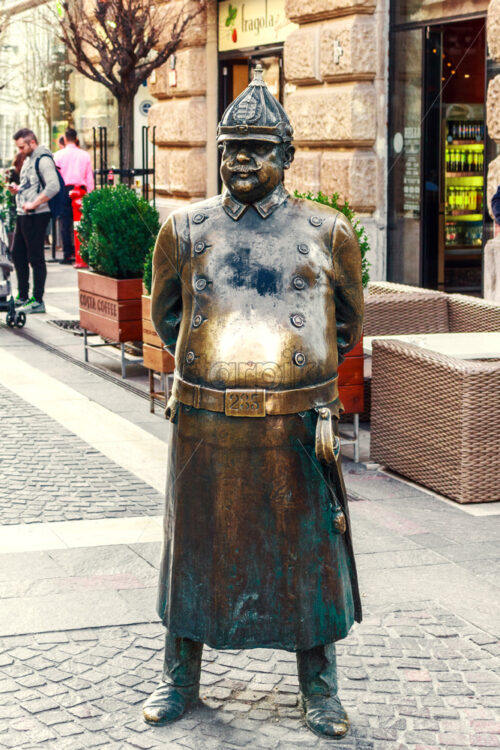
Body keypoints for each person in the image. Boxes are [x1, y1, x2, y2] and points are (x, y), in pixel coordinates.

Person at [143, 65, 363, 739]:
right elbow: (168, 314)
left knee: (307, 556)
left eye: (258, 147)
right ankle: (180, 677)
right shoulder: (185, 228)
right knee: (195, 549)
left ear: (287, 157)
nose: (241, 158)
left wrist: (298, 375)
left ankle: (318, 686)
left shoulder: (327, 233)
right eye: (231, 145)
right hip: (206, 420)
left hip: (296, 424)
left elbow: (347, 321)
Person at [9, 128, 60, 313]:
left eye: (22, 147)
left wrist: (34, 204)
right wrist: (18, 188)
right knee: (17, 254)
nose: (20, 151)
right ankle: (23, 295)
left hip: (36, 214)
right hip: (24, 214)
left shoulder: (43, 159)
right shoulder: (29, 159)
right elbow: (31, 184)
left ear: (32, 142)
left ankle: (37, 300)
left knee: (36, 257)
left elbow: (53, 186)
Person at [54, 127, 94, 264]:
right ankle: (82, 253)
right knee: (81, 223)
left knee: (65, 224)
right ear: (76, 139)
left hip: (64, 190)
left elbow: (56, 177)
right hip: (81, 190)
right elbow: (89, 177)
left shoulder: (58, 155)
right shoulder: (85, 155)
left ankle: (68, 253)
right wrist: (90, 192)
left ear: (65, 139)